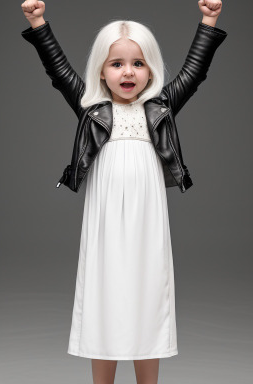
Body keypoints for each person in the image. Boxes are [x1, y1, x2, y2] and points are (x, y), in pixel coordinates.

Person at [20, 1, 228, 383]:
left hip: (147, 220)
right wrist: (37, 22)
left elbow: (194, 72)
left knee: (149, 296)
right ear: (101, 69)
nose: (128, 72)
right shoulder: (91, 108)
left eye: (138, 63)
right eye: (117, 64)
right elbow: (57, 69)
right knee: (105, 295)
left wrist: (209, 21)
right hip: (105, 223)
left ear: (151, 69)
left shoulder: (161, 106)